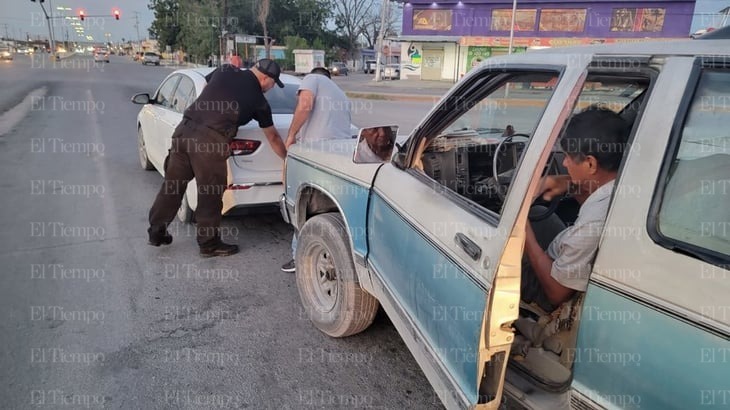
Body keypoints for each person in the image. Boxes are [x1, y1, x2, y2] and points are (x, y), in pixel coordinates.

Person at [147, 58, 288, 258]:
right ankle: (209, 244)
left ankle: (156, 232)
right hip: (209, 141)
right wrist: (287, 158)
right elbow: (272, 137)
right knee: (210, 194)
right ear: (266, 78)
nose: (271, 88)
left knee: (172, 186)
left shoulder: (226, 70)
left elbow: (206, 86)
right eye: (273, 84)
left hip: (184, 130)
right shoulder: (259, 102)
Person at [522, 108, 629, 312]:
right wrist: (569, 183)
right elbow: (595, 197)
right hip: (565, 253)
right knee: (537, 216)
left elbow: (556, 293)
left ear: (590, 163)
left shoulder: (592, 225)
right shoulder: (625, 182)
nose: (564, 162)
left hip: (552, 286)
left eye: (568, 157)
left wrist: (524, 237)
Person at [280, 67, 353, 272]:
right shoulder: (341, 95)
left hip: (313, 154)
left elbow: (305, 104)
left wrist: (291, 135)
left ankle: (298, 257)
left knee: (301, 206)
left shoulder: (313, 78)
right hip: (337, 156)